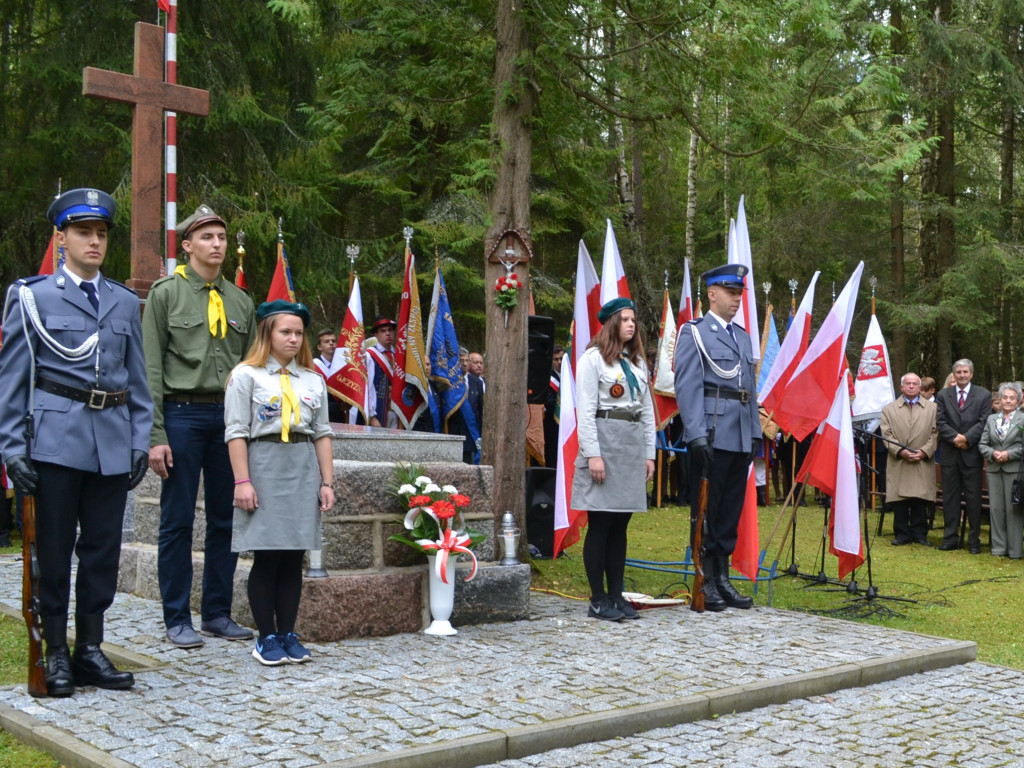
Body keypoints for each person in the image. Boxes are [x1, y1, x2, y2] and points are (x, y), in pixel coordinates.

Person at [0, 188, 152, 696]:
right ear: (61, 238)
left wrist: (139, 439)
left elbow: (136, 378)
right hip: (56, 441)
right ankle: (56, 652)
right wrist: (12, 448)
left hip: (111, 441)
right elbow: (14, 378)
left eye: (101, 233)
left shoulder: (124, 301)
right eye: (83, 232)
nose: (94, 241)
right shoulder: (34, 296)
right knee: (55, 549)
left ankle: (89, 648)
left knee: (102, 551)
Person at [143, 204, 257, 649]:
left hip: (228, 419)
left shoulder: (240, 301)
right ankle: (176, 618)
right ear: (187, 245)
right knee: (177, 520)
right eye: (207, 237)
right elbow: (152, 367)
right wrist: (155, 434)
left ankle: (216, 613)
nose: (217, 244)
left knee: (225, 519)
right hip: (182, 415)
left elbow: (251, 372)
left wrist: (249, 431)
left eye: (222, 237)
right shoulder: (166, 294)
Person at [225, 300, 335, 665]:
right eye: (285, 332)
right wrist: (242, 481)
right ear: (267, 334)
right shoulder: (246, 375)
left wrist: (327, 482)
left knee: (293, 556)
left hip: (301, 465)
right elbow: (236, 432)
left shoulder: (313, 379)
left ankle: (288, 633)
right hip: (263, 463)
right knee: (268, 554)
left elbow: (322, 432)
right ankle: (265, 637)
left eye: (298, 333)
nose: (293, 339)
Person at [673, 264, 760, 612]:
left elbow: (749, 389)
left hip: (739, 433)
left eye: (739, 293)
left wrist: (754, 432)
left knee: (729, 510)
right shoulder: (695, 333)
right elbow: (687, 386)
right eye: (730, 293)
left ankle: (722, 577)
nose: (737, 299)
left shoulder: (742, 336)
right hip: (711, 432)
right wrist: (695, 434)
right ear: (712, 294)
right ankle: (705, 579)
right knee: (707, 509)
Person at [571, 298, 656, 621]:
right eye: (625, 320)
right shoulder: (593, 360)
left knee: (621, 524)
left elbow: (647, 412)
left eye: (633, 320)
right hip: (604, 442)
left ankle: (616, 595)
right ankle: (598, 599)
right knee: (602, 523)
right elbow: (585, 411)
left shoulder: (636, 363)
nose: (631, 325)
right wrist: (593, 454)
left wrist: (649, 454)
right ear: (611, 324)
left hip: (631, 445)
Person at [935, 359, 990, 553]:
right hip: (950, 454)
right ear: (954, 374)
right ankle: (950, 538)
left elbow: (984, 421)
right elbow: (940, 422)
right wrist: (955, 438)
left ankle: (974, 541)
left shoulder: (983, 395)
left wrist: (967, 438)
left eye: (965, 372)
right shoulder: (943, 395)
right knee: (950, 497)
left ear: (971, 374)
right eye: (958, 372)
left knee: (974, 498)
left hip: (971, 453)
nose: (962, 375)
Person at [881, 373, 938, 547]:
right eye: (908, 383)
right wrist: (900, 451)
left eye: (914, 383)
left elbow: (936, 433)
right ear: (901, 387)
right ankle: (901, 533)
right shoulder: (889, 409)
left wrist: (924, 451)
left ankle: (920, 534)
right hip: (899, 460)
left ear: (920, 387)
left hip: (922, 459)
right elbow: (886, 434)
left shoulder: (933, 408)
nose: (911, 386)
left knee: (920, 497)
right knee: (900, 498)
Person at [979, 382, 1024, 559]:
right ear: (1000, 399)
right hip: (994, 469)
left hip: (1015, 471)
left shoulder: (1022, 419)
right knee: (996, 509)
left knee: (1014, 511)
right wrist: (992, 453)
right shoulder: (991, 419)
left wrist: (1009, 454)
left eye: (1012, 398)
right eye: (1005, 397)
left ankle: (1015, 551)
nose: (1008, 400)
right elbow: (983, 444)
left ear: (1018, 401)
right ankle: (998, 548)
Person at [364, 316, 398, 428]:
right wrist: (372, 416)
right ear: (376, 335)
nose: (388, 333)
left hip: (397, 412)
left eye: (390, 330)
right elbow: (368, 387)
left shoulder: (398, 355)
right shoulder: (370, 355)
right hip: (378, 411)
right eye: (383, 331)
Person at [313, 328, 348, 423]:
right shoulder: (313, 367)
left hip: (341, 418)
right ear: (319, 347)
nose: (331, 343)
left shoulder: (342, 366)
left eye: (333, 341)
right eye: (327, 341)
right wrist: (338, 407)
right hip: (321, 418)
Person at [543, 345, 565, 468]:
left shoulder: (572, 376)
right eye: (556, 359)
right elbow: (549, 403)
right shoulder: (548, 379)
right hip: (553, 425)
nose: (559, 362)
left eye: (561, 358)